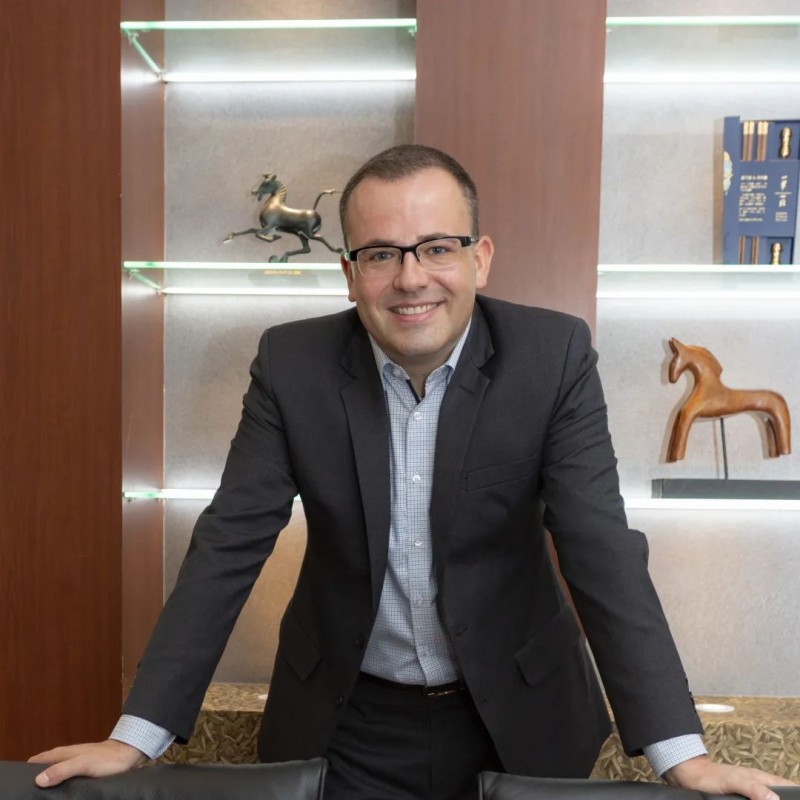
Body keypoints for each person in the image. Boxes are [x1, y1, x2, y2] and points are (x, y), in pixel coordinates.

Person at [30, 145, 795, 800]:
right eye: (381, 254)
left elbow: (599, 547)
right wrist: (136, 737)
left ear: (479, 258)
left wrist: (681, 753)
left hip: (521, 716)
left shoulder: (551, 357)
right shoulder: (291, 366)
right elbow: (229, 542)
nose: (410, 277)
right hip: (344, 722)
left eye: (436, 247)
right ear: (349, 272)